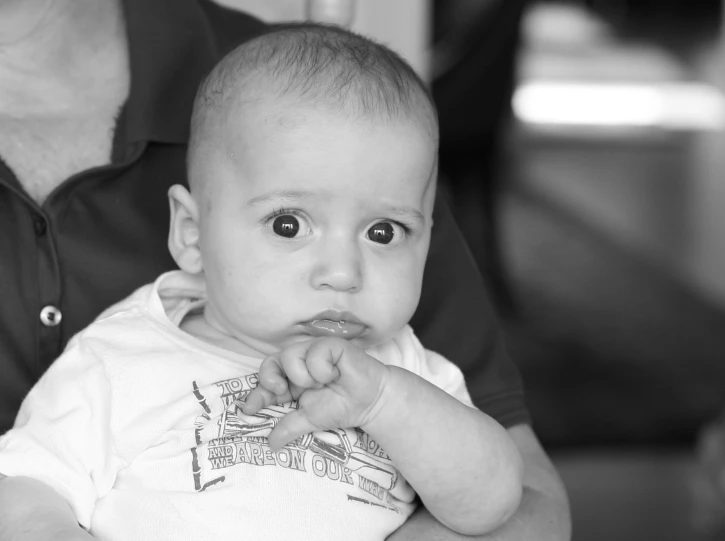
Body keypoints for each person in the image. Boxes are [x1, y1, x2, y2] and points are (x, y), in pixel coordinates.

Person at [0, 1, 569, 540]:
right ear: (192, 235)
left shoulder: (407, 370)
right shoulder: (116, 360)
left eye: (383, 233)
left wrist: (385, 403)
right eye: (289, 225)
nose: (343, 272)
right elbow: (27, 491)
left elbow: (499, 500)